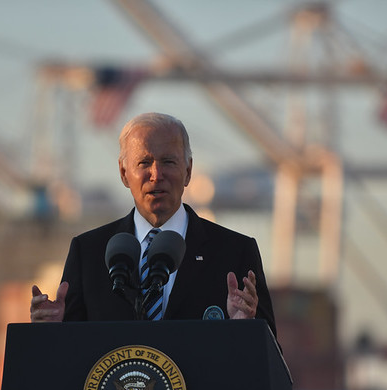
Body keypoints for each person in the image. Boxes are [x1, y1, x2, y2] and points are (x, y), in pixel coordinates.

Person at [30, 112, 276, 337]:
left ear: (188, 170)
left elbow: (271, 361)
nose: (157, 174)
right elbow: (69, 358)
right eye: (144, 163)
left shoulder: (235, 252)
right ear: (124, 173)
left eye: (168, 162)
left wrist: (246, 328)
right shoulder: (88, 252)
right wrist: (50, 332)